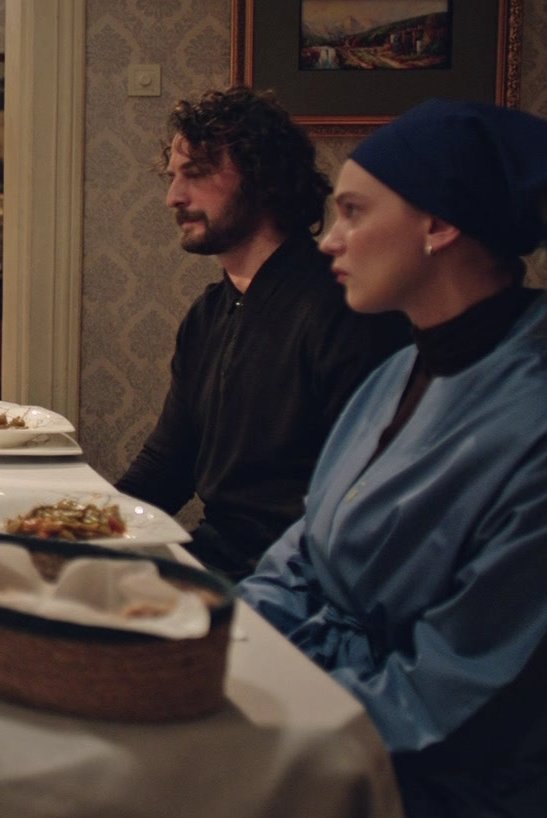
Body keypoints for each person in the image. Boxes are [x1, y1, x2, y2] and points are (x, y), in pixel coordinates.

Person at [238, 99, 547, 818]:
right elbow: (304, 555)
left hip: (436, 784)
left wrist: (263, 716)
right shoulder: (395, 373)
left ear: (439, 225)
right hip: (331, 710)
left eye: (353, 212)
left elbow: (461, 706)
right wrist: (225, 649)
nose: (328, 240)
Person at [115, 87, 407, 579]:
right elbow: (168, 464)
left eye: (196, 173)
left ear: (263, 178)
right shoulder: (207, 315)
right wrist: (82, 531)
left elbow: (367, 499)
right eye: (172, 177)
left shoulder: (344, 308)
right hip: (214, 559)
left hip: (293, 582)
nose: (173, 197)